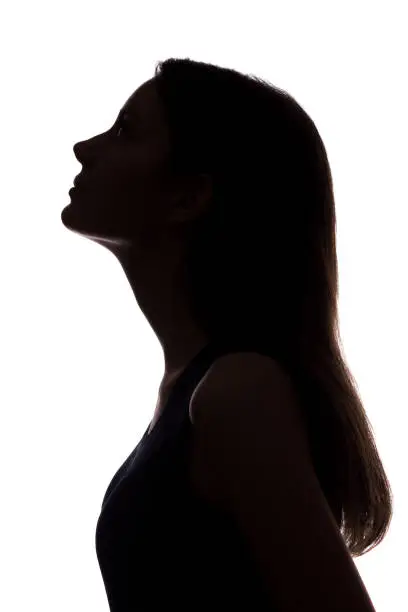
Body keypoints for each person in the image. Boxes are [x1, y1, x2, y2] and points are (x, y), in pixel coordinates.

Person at [61, 58, 391, 611]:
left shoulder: (236, 392)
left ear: (188, 197)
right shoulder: (199, 392)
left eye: (125, 132)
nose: (84, 148)